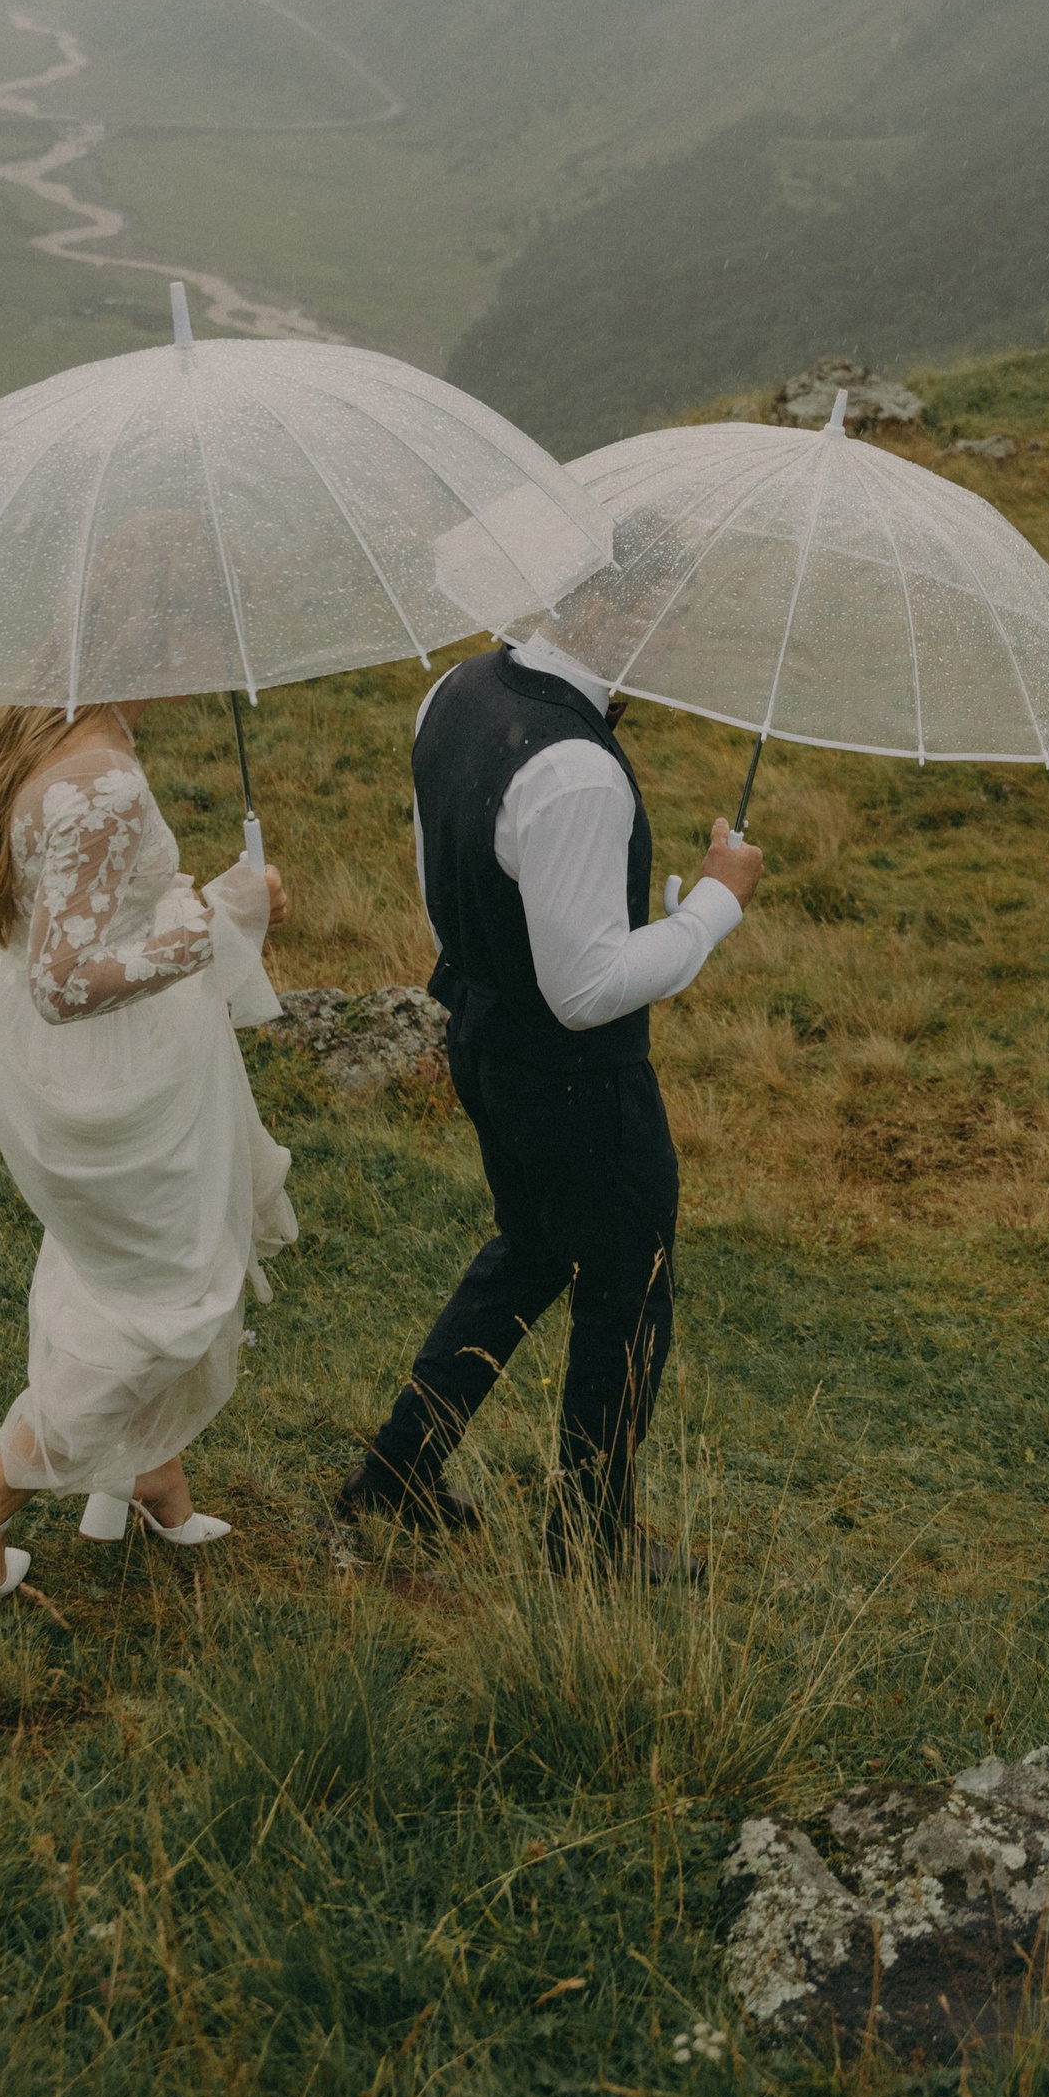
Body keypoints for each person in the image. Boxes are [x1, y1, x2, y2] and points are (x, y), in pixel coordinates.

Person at [338, 615, 762, 1577]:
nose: (675, 651)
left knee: (531, 1249)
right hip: (576, 1077)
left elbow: (445, 883)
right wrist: (716, 903)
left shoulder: (455, 691)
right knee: (626, 1286)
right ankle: (591, 1537)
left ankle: (398, 1469)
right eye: (667, 627)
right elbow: (585, 992)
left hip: (478, 1030)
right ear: (623, 622)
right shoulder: (578, 773)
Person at [0, 699, 295, 1612]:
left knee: (118, 1267)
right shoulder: (102, 777)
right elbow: (66, 983)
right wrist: (217, 918)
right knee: (172, 1294)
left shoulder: (24, 721)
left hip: (33, 1050)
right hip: (113, 1067)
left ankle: (149, 1478)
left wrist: (131, 893)